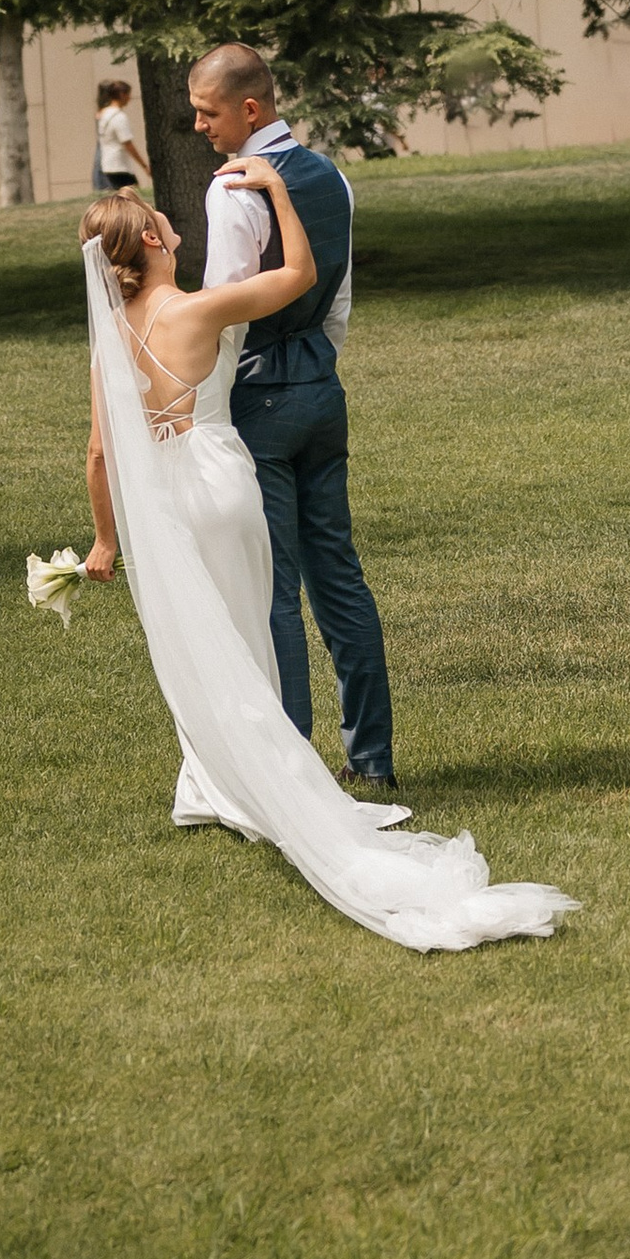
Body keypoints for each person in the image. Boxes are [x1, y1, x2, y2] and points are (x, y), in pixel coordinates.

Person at [72, 176, 573, 951]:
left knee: (192, 643)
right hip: (219, 482)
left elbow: (101, 454)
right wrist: (275, 187)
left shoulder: (109, 340)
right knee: (245, 635)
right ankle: (260, 787)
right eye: (166, 225)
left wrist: (105, 541)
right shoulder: (197, 308)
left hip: (158, 508)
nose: (175, 230)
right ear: (150, 242)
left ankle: (209, 785)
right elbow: (299, 278)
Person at [189, 42, 395, 794]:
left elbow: (225, 311)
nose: (200, 127)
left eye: (208, 113)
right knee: (338, 576)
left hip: (260, 397)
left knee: (271, 586)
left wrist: (211, 412)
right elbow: (336, 299)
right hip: (321, 389)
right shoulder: (331, 176)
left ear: (250, 109)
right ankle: (371, 757)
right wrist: (316, 363)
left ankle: (294, 776)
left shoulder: (233, 190)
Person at [91, 77, 148, 194]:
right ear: (122, 95)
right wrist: (144, 165)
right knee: (133, 196)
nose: (129, 98)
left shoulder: (103, 114)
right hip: (119, 164)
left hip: (107, 164)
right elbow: (127, 143)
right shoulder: (119, 117)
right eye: (128, 94)